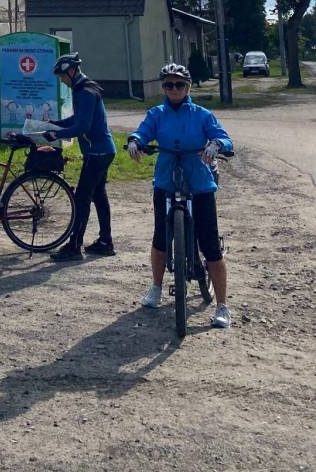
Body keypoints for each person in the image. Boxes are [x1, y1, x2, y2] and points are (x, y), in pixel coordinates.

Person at [127, 63, 234, 329]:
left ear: (188, 87)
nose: (174, 89)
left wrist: (216, 144)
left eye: (179, 85)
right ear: (164, 88)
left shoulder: (202, 114)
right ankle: (156, 287)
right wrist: (135, 141)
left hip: (199, 181)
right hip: (166, 179)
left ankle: (222, 305)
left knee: (209, 243)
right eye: (168, 85)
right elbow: (143, 131)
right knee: (160, 237)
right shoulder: (156, 113)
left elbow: (223, 137)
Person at [43, 53, 117, 262]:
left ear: (71, 71)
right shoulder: (84, 89)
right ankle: (105, 242)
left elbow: (82, 126)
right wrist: (56, 124)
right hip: (102, 151)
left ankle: (74, 247)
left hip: (97, 153)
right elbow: (78, 118)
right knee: (99, 196)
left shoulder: (85, 92)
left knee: (81, 199)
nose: (62, 81)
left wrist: (56, 134)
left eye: (62, 77)